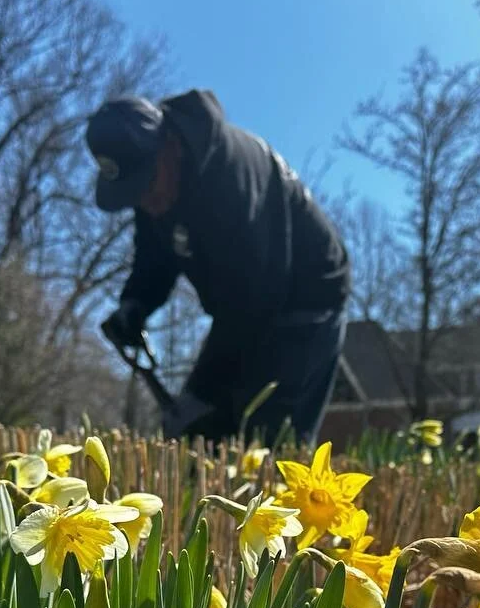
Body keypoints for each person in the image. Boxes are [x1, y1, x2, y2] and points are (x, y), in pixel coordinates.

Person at [86, 90, 350, 444]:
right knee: (209, 430)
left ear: (170, 145)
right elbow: (154, 254)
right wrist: (136, 303)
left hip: (306, 301)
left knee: (269, 437)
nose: (146, 201)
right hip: (246, 308)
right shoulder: (159, 190)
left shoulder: (232, 177)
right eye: (133, 194)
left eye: (146, 183)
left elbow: (254, 297)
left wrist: (203, 391)